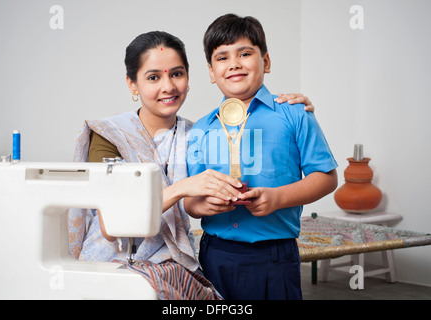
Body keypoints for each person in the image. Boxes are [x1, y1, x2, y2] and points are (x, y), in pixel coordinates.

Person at [68, 30, 315, 300]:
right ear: (132, 84)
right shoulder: (109, 135)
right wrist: (183, 188)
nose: (168, 87)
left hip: (179, 264)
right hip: (114, 261)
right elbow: (112, 225)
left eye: (177, 73)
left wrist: (287, 108)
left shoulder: (200, 133)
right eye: (153, 77)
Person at [185, 14, 338, 300]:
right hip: (214, 254)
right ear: (210, 71)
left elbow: (326, 178)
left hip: (274, 256)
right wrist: (206, 205)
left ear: (265, 62)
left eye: (245, 53)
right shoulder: (202, 128)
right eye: (222, 57)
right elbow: (190, 202)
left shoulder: (294, 113)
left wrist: (277, 198)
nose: (234, 64)